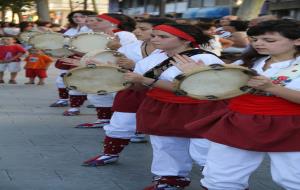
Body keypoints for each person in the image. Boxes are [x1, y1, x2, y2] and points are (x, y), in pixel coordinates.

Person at [185, 19, 300, 190]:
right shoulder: (248, 62)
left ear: (297, 40)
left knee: (292, 176)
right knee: (220, 175)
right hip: (240, 119)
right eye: (254, 39)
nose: (258, 44)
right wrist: (200, 74)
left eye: (269, 40)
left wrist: (272, 88)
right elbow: (224, 87)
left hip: (290, 124)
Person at [124, 23, 225, 189]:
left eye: (163, 37)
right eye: (154, 35)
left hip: (200, 108)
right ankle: (171, 178)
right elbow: (140, 86)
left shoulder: (207, 58)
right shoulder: (152, 59)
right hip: (161, 106)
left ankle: (221, 182)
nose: (155, 39)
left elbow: (212, 86)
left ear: (185, 41)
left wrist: (146, 81)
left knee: (203, 148)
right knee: (165, 144)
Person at [49, 10, 95, 110]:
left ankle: (90, 102)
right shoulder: (71, 30)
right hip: (70, 56)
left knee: (84, 80)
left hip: (87, 57)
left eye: (82, 16)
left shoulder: (92, 30)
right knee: (62, 78)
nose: (78, 18)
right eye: (75, 17)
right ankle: (63, 99)